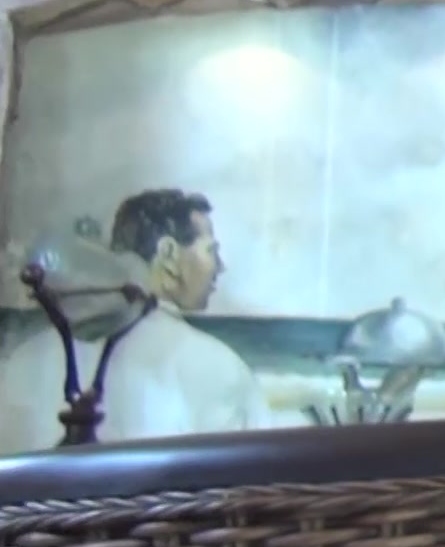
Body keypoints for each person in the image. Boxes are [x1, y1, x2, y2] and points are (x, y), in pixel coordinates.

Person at [0, 190, 274, 452]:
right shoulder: (217, 367)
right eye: (211, 251)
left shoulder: (22, 361)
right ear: (168, 253)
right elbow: (251, 476)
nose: (220, 267)